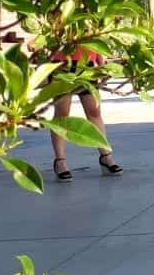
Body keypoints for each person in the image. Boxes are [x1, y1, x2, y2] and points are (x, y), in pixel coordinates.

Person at [49, 49, 122, 181]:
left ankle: (106, 156)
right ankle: (60, 161)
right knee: (62, 115)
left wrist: (101, 63)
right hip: (62, 65)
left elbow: (97, 39)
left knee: (94, 112)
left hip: (87, 66)